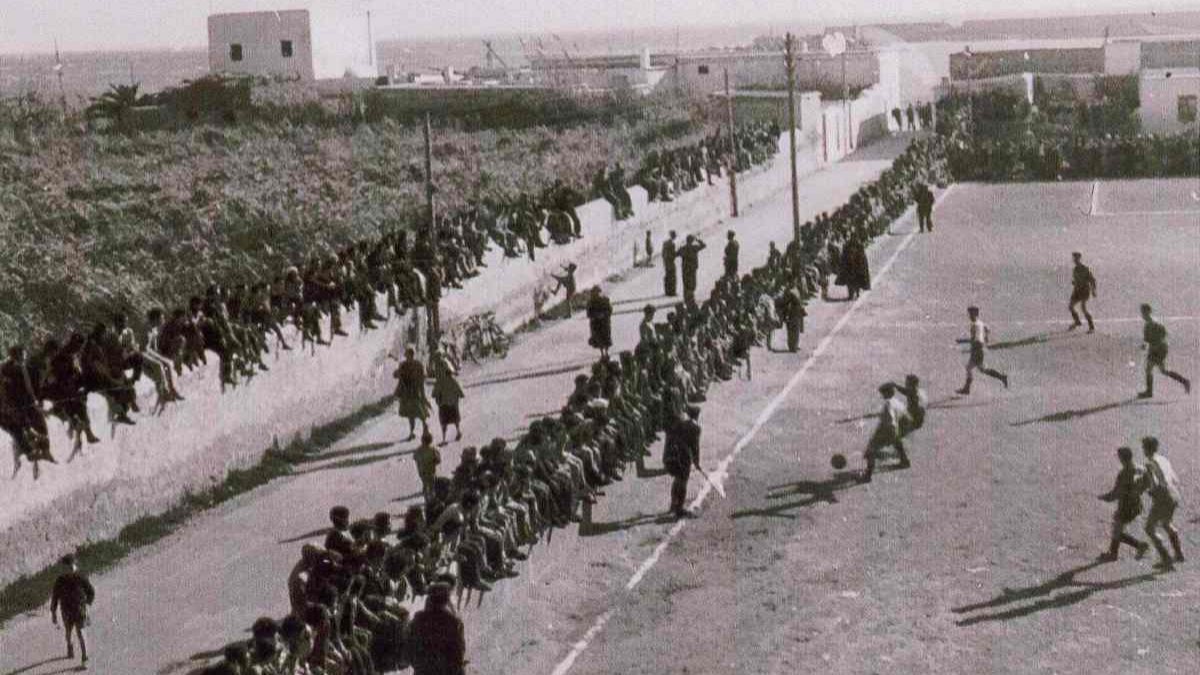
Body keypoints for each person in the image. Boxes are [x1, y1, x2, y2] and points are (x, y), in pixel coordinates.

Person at [1137, 436, 1185, 569]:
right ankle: (1179, 554)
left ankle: (1166, 559)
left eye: (1143, 448)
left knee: (1149, 528)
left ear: (1146, 449)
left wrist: (1141, 488)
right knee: (1166, 523)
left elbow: (1153, 484)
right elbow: (1175, 479)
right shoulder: (1163, 459)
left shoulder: (1150, 464)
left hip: (1163, 498)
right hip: (1174, 495)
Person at [1097, 446, 1150, 562]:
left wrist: (1104, 497)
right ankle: (1114, 553)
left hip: (1126, 506)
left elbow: (1116, 493)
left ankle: (1138, 546)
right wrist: (1139, 491)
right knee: (1117, 528)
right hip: (1136, 504)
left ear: (1122, 458)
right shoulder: (1140, 468)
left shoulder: (1124, 473)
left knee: (1117, 530)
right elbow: (1148, 481)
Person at [408, 581, 466, 675]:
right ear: (446, 600)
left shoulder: (418, 619)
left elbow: (410, 649)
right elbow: (459, 654)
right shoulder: (454, 622)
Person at [50, 554, 95, 666]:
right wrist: (53, 613)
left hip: (79, 610)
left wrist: (87, 603)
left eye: (72, 566)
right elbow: (55, 597)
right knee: (68, 633)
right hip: (66, 611)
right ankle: (70, 646)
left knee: (81, 633)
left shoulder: (81, 577)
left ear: (75, 566)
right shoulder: (60, 581)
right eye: (68, 567)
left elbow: (91, 591)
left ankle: (85, 658)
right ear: (63, 568)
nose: (71, 569)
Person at [1137, 303, 1189, 399]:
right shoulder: (1148, 324)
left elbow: (1163, 335)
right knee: (1162, 371)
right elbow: (1148, 339)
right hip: (1157, 349)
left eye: (1143, 312)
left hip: (1159, 350)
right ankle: (1185, 381)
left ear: (1148, 312)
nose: (1142, 315)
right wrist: (1145, 345)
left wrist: (1155, 345)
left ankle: (1149, 392)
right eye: (1142, 313)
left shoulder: (1153, 324)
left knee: (1150, 369)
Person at [861, 383, 910, 483]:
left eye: (883, 393)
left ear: (887, 393)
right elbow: (906, 416)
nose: (882, 395)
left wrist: (888, 432)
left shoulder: (888, 404)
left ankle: (867, 476)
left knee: (871, 450)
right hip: (897, 429)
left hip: (886, 431)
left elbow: (890, 420)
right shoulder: (898, 402)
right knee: (897, 442)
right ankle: (905, 461)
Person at [957, 306, 1009, 395]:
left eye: (970, 314)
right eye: (969, 314)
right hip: (978, 348)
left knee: (971, 368)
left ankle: (967, 389)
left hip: (977, 349)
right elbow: (987, 329)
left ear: (975, 314)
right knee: (980, 369)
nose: (969, 316)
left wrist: (962, 341)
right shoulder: (980, 323)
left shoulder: (974, 325)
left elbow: (973, 339)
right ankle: (1001, 377)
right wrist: (986, 338)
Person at [663, 405, 702, 519]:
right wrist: (696, 462)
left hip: (670, 455)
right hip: (682, 458)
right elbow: (695, 447)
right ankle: (679, 508)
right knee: (683, 482)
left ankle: (673, 504)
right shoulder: (695, 428)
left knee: (677, 480)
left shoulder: (680, 423)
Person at [394, 347, 430, 441]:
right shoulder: (403, 365)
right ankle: (412, 432)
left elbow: (423, 378)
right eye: (406, 355)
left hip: (416, 392)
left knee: (421, 413)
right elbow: (396, 375)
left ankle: (425, 429)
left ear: (412, 355)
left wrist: (423, 394)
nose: (407, 357)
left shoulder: (418, 365)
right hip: (407, 393)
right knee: (410, 414)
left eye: (408, 355)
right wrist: (398, 373)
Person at [431, 352, 464, 444]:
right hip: (451, 402)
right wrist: (460, 395)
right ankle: (457, 432)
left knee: (444, 421)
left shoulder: (440, 380)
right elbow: (459, 390)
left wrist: (436, 396)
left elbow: (434, 393)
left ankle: (446, 438)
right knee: (454, 418)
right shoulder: (451, 380)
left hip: (443, 403)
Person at [1068, 252, 1097, 332]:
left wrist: (1093, 290)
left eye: (1076, 258)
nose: (1074, 260)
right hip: (1077, 291)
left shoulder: (1085, 269)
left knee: (1083, 308)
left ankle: (1091, 327)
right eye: (1074, 258)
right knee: (1070, 306)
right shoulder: (1075, 269)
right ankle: (1077, 321)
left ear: (1079, 259)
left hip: (1085, 291)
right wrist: (1074, 282)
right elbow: (1076, 280)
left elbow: (1092, 280)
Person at [775, 285, 806, 353]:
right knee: (795, 331)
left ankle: (792, 346)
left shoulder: (787, 290)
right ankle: (793, 347)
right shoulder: (794, 290)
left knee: (790, 331)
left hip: (790, 313)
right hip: (794, 313)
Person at [677, 235, 707, 305]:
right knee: (692, 283)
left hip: (685, 269)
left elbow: (676, 254)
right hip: (692, 268)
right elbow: (704, 245)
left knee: (685, 283)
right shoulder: (694, 248)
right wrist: (698, 240)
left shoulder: (683, 248)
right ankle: (691, 298)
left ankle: (686, 298)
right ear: (692, 241)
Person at [586, 286, 613, 359]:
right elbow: (588, 314)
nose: (596, 294)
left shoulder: (605, 300)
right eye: (594, 292)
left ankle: (606, 352)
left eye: (597, 292)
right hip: (596, 324)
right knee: (599, 339)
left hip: (604, 323)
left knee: (606, 338)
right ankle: (602, 353)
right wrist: (596, 316)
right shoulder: (590, 302)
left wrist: (604, 314)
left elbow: (610, 310)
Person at [413, 432, 441, 503]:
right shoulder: (433, 450)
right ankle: (432, 499)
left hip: (422, 471)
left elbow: (415, 458)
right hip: (431, 471)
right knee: (432, 486)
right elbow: (438, 460)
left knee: (425, 484)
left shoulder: (418, 450)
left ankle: (427, 499)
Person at [662, 230, 679, 297]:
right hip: (671, 263)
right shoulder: (672, 244)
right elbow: (673, 255)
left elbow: (663, 254)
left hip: (666, 263)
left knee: (667, 276)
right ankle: (672, 292)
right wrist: (677, 253)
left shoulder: (665, 243)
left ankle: (667, 291)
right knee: (672, 277)